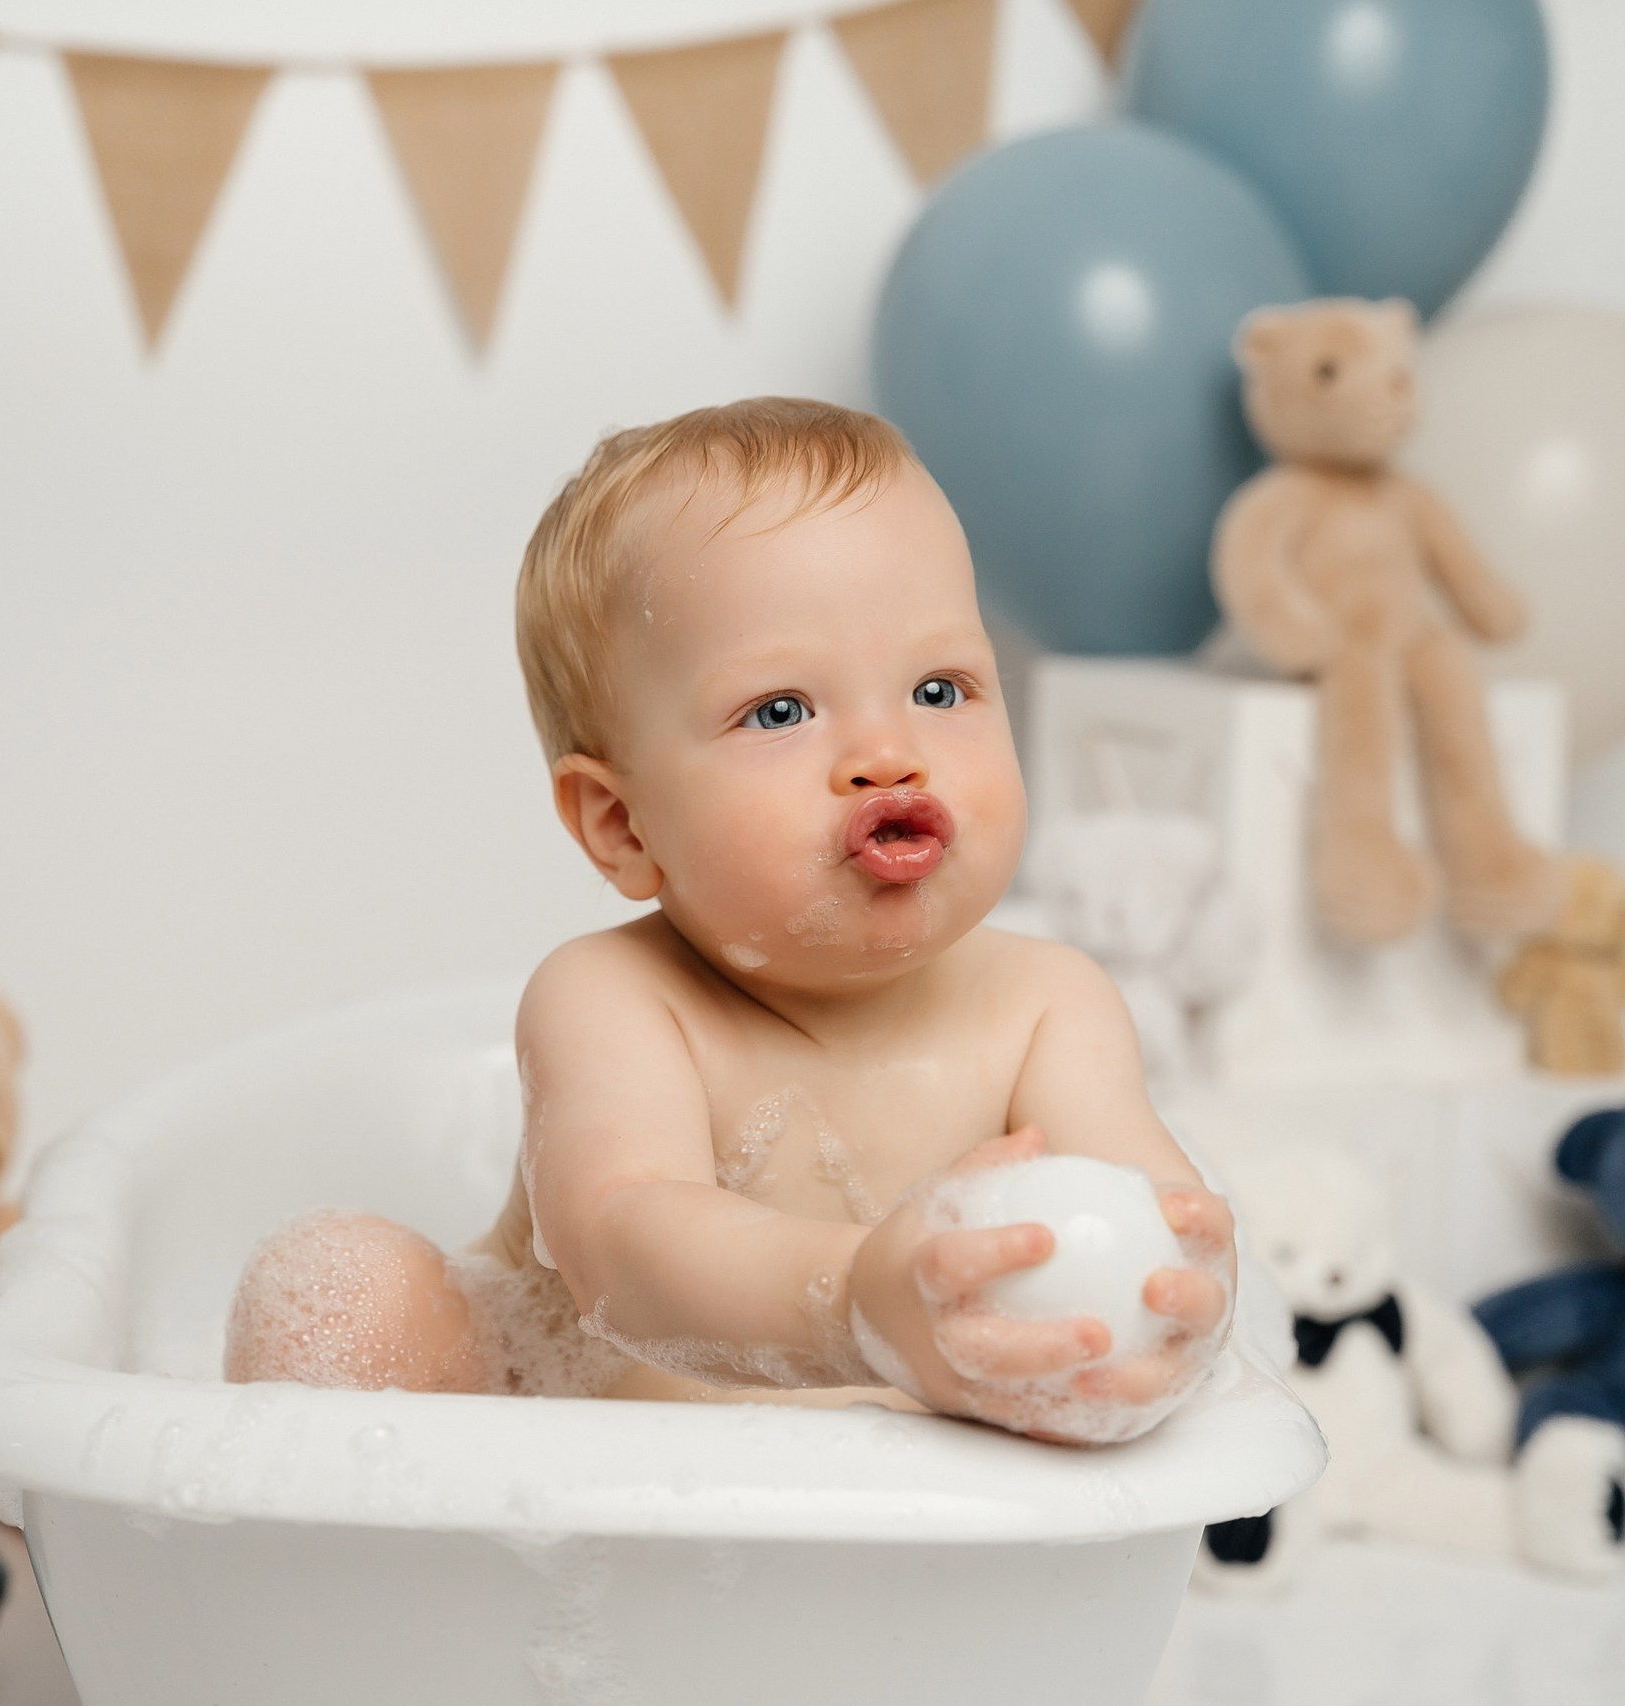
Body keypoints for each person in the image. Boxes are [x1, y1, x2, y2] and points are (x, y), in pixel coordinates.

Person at [225, 398, 1233, 1443]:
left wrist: (1179, 1303)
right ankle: (360, 1572)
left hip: (894, 1547)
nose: (889, 751)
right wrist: (855, 1305)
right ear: (622, 825)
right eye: (781, 711)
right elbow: (624, 1246)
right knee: (358, 1297)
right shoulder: (614, 1002)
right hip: (583, 1493)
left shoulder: (1047, 1007)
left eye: (940, 688)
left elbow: (1158, 1209)